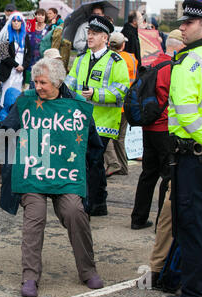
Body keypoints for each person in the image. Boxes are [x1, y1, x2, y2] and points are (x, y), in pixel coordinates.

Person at [0, 58, 104, 297]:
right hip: (32, 172)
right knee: (34, 216)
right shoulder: (25, 102)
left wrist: (84, 172)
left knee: (74, 212)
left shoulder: (77, 106)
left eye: (43, 82)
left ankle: (88, 271)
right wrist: (0, 132)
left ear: (58, 82)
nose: (38, 86)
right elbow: (8, 130)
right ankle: (29, 277)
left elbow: (93, 145)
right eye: (35, 81)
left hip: (65, 174)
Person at [164, 0, 202, 297]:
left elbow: (187, 113)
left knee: (194, 228)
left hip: (197, 158)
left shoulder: (190, 61)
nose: (182, 27)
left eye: (188, 23)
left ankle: (194, 294)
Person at [66, 15, 130, 217]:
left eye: (94, 34)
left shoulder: (116, 61)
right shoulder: (81, 58)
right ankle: (94, 201)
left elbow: (122, 90)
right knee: (88, 161)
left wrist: (96, 94)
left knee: (93, 160)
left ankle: (94, 202)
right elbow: (70, 83)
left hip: (104, 121)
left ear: (105, 37)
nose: (89, 37)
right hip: (82, 119)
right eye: (89, 33)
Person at [129, 30, 186, 231]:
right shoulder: (174, 67)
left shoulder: (152, 63)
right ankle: (162, 225)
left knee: (148, 174)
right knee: (168, 175)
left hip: (148, 125)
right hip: (164, 127)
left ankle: (138, 218)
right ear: (180, 47)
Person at [104, 32, 134, 178]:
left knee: (105, 135)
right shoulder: (132, 59)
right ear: (123, 44)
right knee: (120, 138)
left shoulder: (108, 60)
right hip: (127, 104)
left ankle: (113, 163)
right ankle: (123, 166)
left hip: (112, 104)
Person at [0, 12, 32, 106]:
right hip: (8, 70)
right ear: (11, 22)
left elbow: (29, 55)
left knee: (17, 93)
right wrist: (16, 65)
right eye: (14, 20)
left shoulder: (25, 37)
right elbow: (3, 55)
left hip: (20, 72)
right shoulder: (6, 36)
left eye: (18, 21)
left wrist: (23, 66)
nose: (16, 23)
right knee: (6, 92)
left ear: (22, 23)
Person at [27, 8, 48, 82]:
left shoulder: (48, 28)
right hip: (31, 56)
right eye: (38, 15)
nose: (40, 17)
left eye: (42, 15)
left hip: (41, 56)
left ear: (45, 17)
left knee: (40, 77)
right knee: (30, 78)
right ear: (35, 16)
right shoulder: (31, 26)